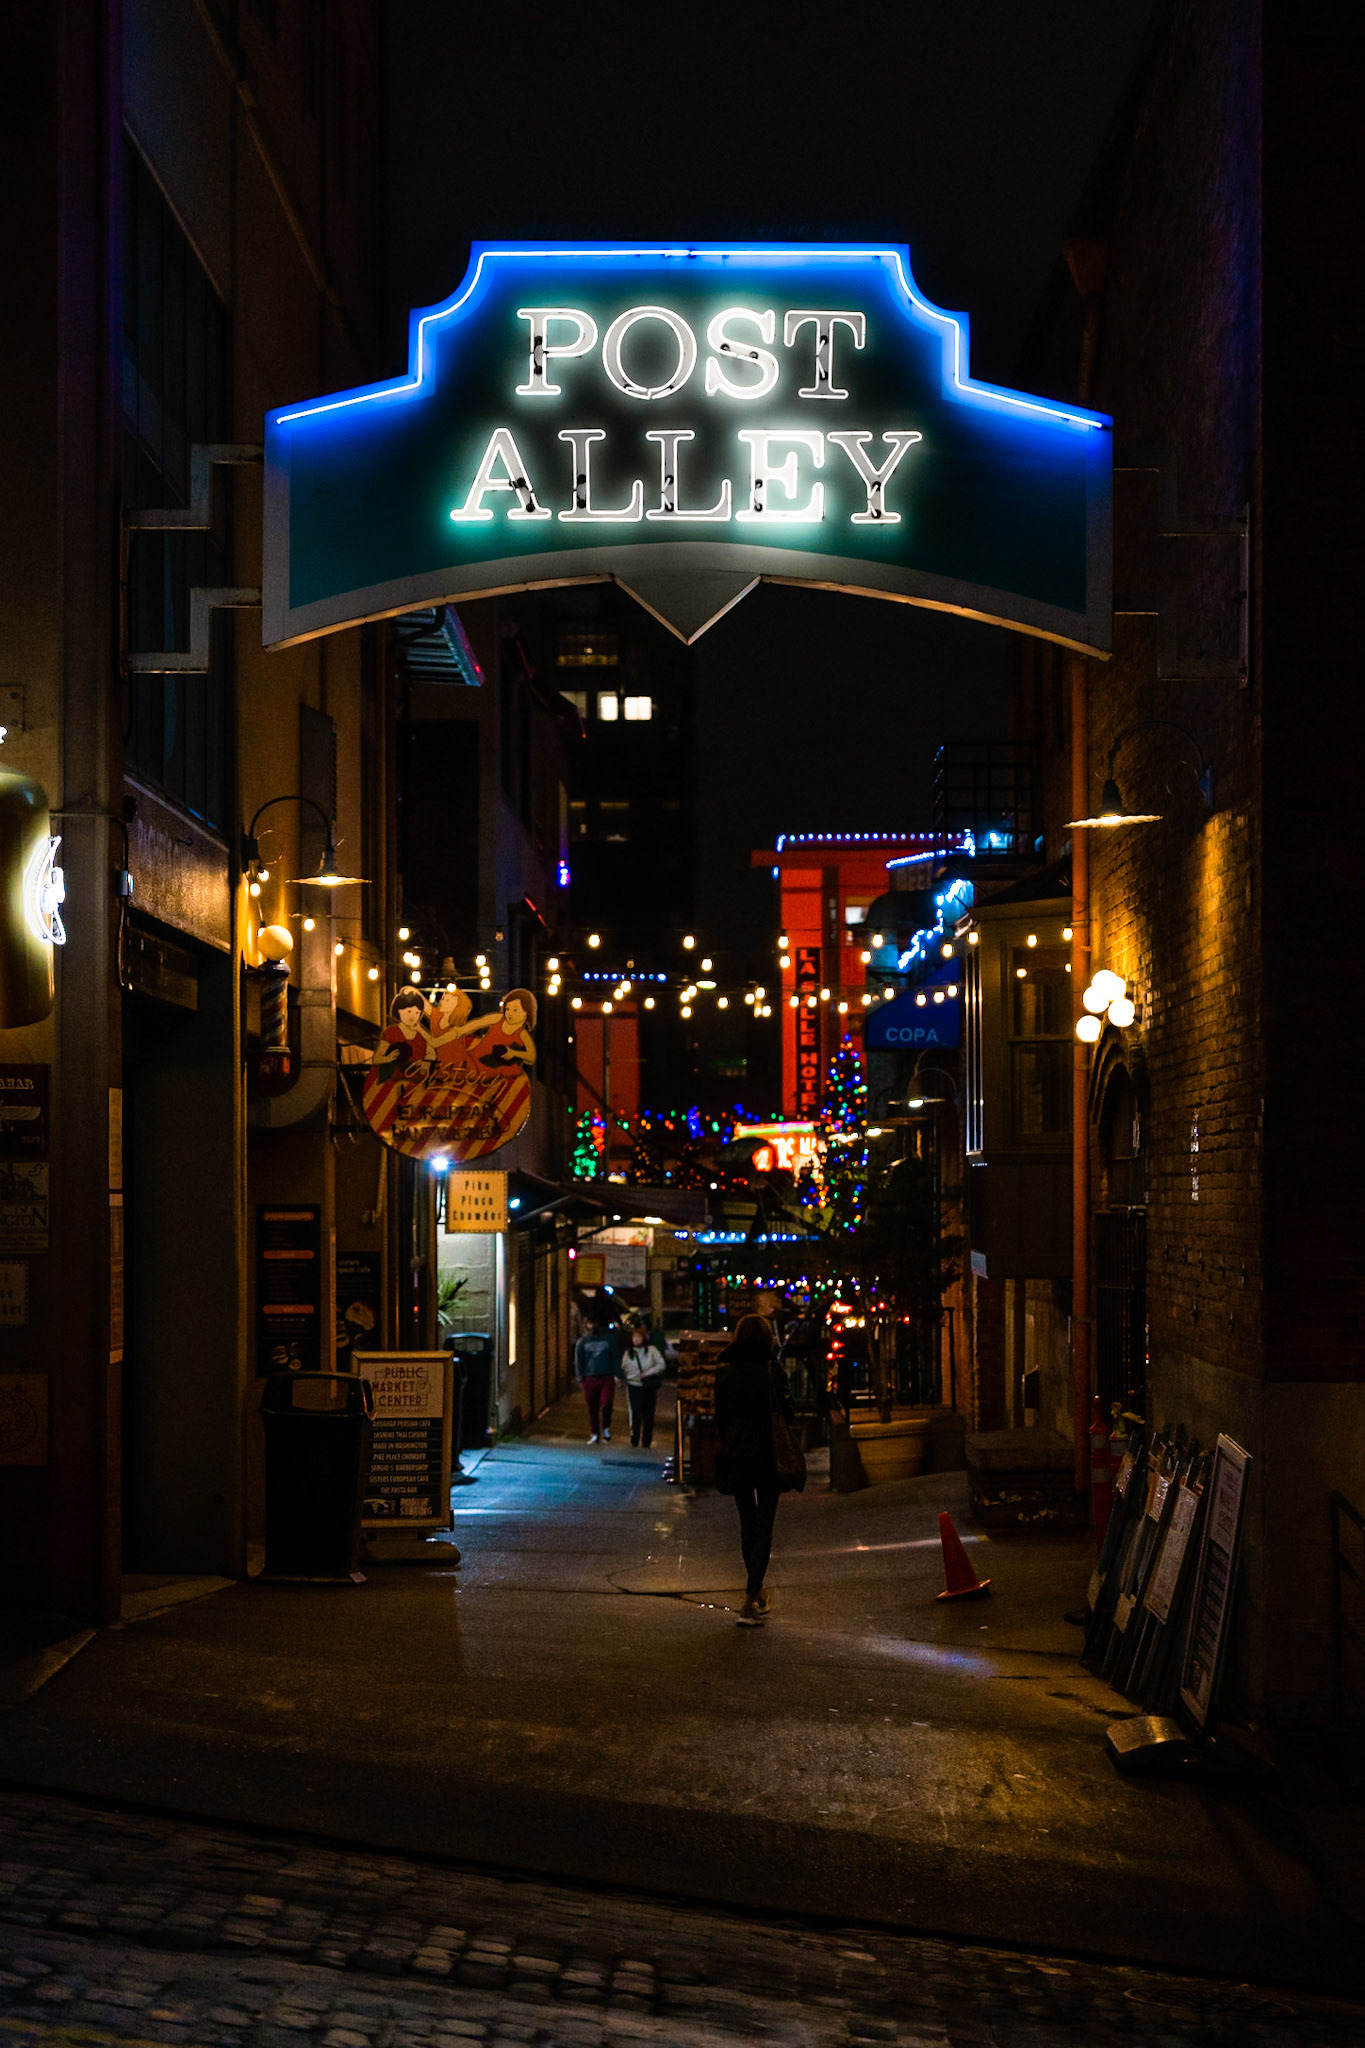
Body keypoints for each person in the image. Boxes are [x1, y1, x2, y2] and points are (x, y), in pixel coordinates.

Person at [713, 1313, 797, 1627]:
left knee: (747, 1521)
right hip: (767, 1452)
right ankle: (750, 1597)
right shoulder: (772, 1370)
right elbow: (787, 1410)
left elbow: (719, 1416)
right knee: (765, 1523)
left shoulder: (725, 1372)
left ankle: (755, 1590)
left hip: (736, 1452)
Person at [574, 1313, 620, 1443]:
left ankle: (605, 1427)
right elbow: (579, 1360)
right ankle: (594, 1432)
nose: (592, 1326)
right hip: (590, 1377)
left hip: (606, 1375)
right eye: (590, 1323)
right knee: (592, 1406)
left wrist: (617, 1374)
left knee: (607, 1403)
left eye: (594, 1323)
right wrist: (580, 1376)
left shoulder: (608, 1340)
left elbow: (615, 1357)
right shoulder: (582, 1342)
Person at [621, 1323, 667, 1447]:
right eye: (634, 1337)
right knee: (635, 1413)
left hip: (648, 1387)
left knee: (649, 1414)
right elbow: (624, 1367)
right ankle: (634, 1438)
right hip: (633, 1386)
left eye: (638, 1337)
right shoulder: (628, 1352)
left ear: (644, 1338)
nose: (636, 1339)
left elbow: (661, 1365)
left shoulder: (651, 1351)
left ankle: (646, 1440)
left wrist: (647, 1373)